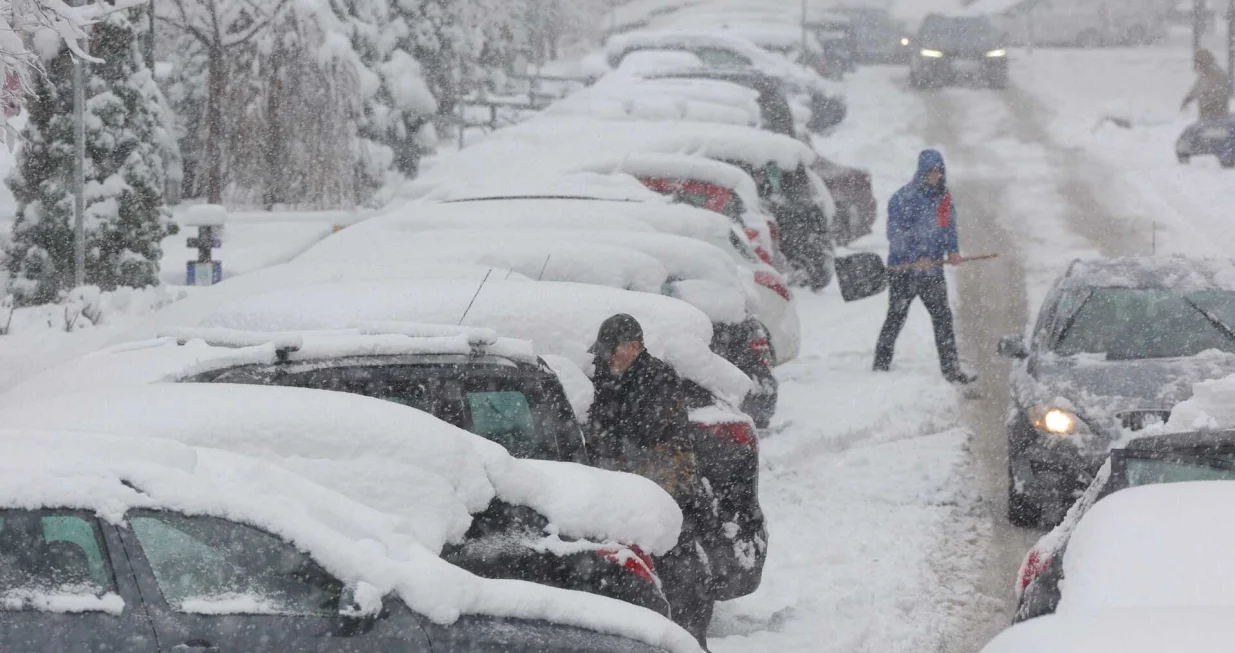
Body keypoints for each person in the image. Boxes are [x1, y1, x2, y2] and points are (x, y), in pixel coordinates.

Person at [586, 314, 714, 649]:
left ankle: (689, 638)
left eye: (612, 350)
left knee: (676, 563)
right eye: (604, 352)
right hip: (628, 484)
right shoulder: (609, 374)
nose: (608, 358)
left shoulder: (659, 379)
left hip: (667, 486)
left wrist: (607, 426)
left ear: (634, 346)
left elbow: (643, 432)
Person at [874, 149, 976, 385]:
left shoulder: (943, 198)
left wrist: (952, 251)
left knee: (943, 319)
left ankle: (951, 370)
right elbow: (895, 234)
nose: (936, 176)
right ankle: (880, 364)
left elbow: (948, 227)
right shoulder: (903, 198)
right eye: (931, 171)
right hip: (904, 271)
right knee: (896, 317)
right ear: (922, 172)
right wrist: (915, 256)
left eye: (939, 171)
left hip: (932, 272)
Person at [1182, 48, 1232, 122]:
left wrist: (1210, 101)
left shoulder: (1217, 75)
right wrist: (1188, 98)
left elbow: (1220, 95)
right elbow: (1196, 88)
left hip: (1217, 116)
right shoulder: (1204, 76)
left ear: (1205, 62)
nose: (1197, 65)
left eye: (1198, 62)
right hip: (1206, 117)